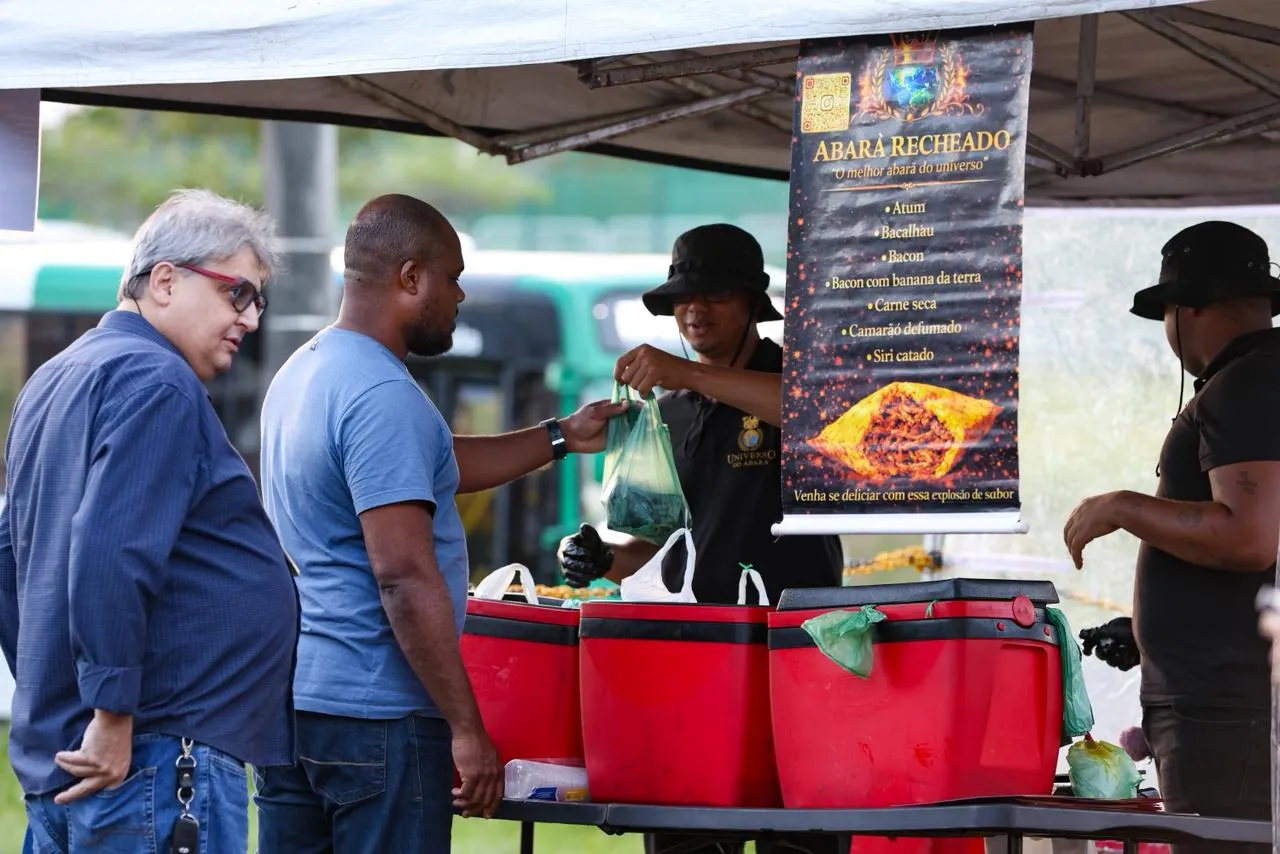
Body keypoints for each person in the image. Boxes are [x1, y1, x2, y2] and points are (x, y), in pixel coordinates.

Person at [254, 194, 626, 854]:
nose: (459, 297)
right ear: (410, 277)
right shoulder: (381, 396)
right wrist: (465, 725)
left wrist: (562, 436)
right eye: (452, 278)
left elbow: (436, 463)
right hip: (381, 717)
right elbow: (401, 575)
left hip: (300, 705)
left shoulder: (306, 371)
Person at [0, 189, 298, 854]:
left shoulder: (54, 377)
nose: (249, 319)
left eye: (256, 302)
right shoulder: (157, 380)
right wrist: (110, 712)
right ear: (165, 280)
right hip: (154, 758)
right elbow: (113, 549)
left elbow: (9, 559)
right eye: (237, 294)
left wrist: (75, 700)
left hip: (100, 755)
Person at [556, 223, 843, 854]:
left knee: (797, 835)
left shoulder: (796, 377)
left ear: (752, 303)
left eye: (713, 294)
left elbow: (817, 415)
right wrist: (606, 559)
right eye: (681, 298)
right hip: (692, 659)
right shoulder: (671, 410)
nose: (693, 309)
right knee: (683, 835)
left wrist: (685, 373)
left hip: (793, 656)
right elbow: (671, 554)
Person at [1063, 220, 1280, 851]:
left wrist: (1123, 507)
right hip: (1235, 704)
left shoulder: (1247, 384)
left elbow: (1249, 537)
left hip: (1226, 715)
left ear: (1185, 308)